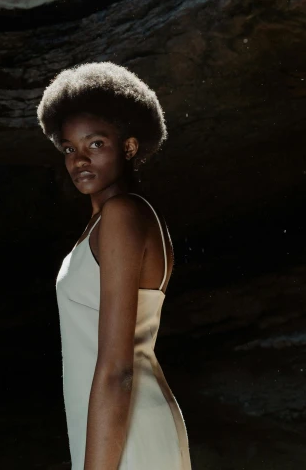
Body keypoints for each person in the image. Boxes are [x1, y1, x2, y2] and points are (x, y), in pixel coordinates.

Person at [37, 61, 192, 470]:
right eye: (70, 148)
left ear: (129, 146)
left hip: (126, 428)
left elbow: (117, 370)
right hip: (114, 426)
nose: (79, 159)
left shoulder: (123, 215)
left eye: (96, 144)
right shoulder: (106, 222)